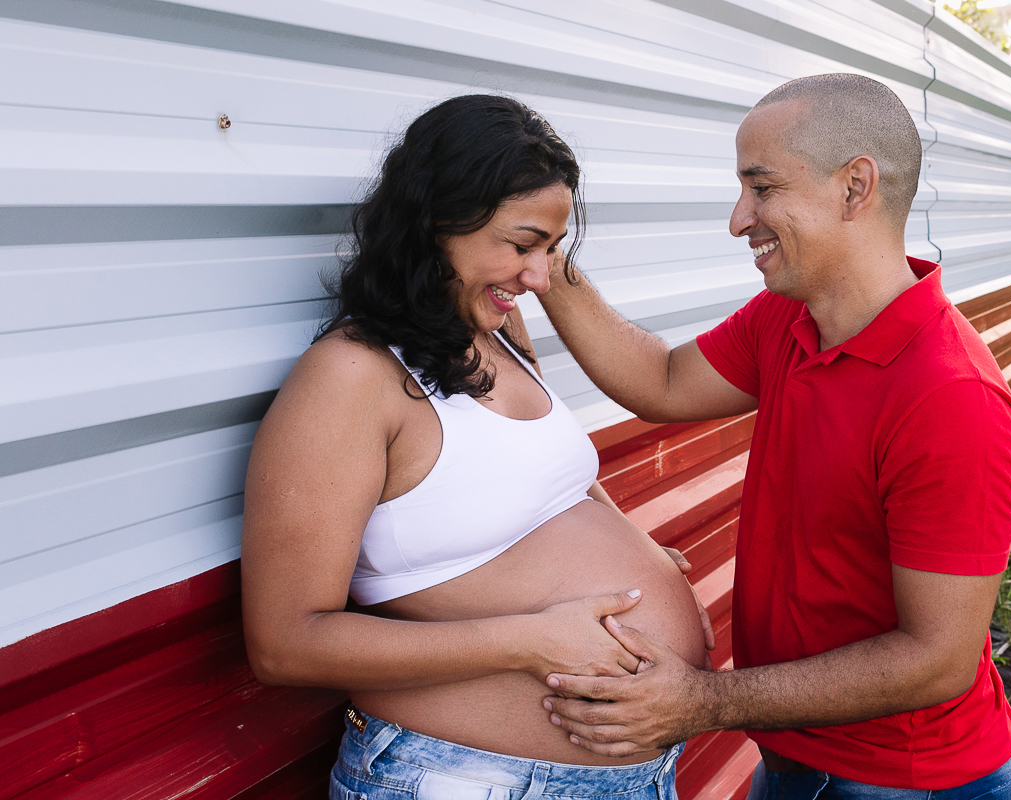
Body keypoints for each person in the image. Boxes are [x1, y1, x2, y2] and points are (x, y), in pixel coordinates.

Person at [536, 74, 1011, 799]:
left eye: (761, 188)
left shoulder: (951, 399)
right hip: (798, 762)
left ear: (854, 188)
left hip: (906, 784)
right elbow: (662, 380)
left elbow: (937, 660)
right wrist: (541, 255)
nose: (739, 219)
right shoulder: (791, 318)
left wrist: (703, 701)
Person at [239, 94, 712, 800]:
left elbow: (554, 482)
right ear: (438, 222)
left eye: (552, 249)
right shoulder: (349, 377)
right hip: (463, 778)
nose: (540, 278)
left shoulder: (498, 334)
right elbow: (285, 643)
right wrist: (532, 640)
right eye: (522, 245)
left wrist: (643, 568)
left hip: (630, 776)